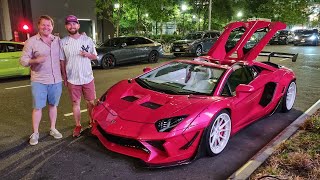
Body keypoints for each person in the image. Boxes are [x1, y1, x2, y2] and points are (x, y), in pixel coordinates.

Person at [20, 15, 63, 145]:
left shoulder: (57, 40)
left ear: (52, 26)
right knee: (38, 107)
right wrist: (35, 60)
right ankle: (35, 133)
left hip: (56, 80)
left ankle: (53, 128)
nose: (46, 27)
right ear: (38, 26)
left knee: (53, 106)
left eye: (48, 25)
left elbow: (63, 56)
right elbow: (23, 60)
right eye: (43, 25)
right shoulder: (31, 41)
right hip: (39, 80)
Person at [60, 15, 97, 137]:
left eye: (74, 23)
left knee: (91, 102)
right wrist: (64, 77)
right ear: (66, 26)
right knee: (75, 103)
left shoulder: (87, 40)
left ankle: (92, 121)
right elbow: (62, 61)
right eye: (69, 24)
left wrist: (87, 54)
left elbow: (95, 56)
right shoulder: (63, 42)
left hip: (87, 77)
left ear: (78, 26)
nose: (72, 26)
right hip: (72, 79)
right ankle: (78, 125)